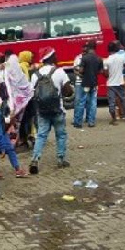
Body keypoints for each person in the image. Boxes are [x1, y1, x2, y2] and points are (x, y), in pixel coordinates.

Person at [29, 47, 74, 175]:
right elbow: (68, 91)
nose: (56, 57)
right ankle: (61, 159)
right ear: (51, 57)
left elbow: (33, 94)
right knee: (60, 134)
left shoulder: (35, 75)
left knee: (41, 135)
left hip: (42, 111)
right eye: (55, 55)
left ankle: (35, 159)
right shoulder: (59, 72)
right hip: (57, 110)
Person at [103, 41, 125, 125]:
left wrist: (108, 73)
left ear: (108, 50)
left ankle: (114, 119)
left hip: (111, 84)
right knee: (123, 99)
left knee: (112, 102)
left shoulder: (106, 61)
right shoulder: (122, 58)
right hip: (120, 82)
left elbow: (106, 74)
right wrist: (121, 72)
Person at [77, 40, 102, 127]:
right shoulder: (99, 58)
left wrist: (79, 72)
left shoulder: (84, 58)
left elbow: (81, 70)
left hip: (85, 84)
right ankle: (91, 122)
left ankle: (78, 123)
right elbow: (101, 71)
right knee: (93, 103)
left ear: (88, 48)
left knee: (82, 102)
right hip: (94, 83)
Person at [72, 46, 88, 128]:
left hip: (87, 83)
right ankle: (76, 119)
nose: (84, 52)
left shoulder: (88, 58)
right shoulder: (78, 58)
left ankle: (86, 118)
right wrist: (81, 75)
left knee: (87, 101)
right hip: (79, 82)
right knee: (78, 101)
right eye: (83, 51)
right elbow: (75, 70)